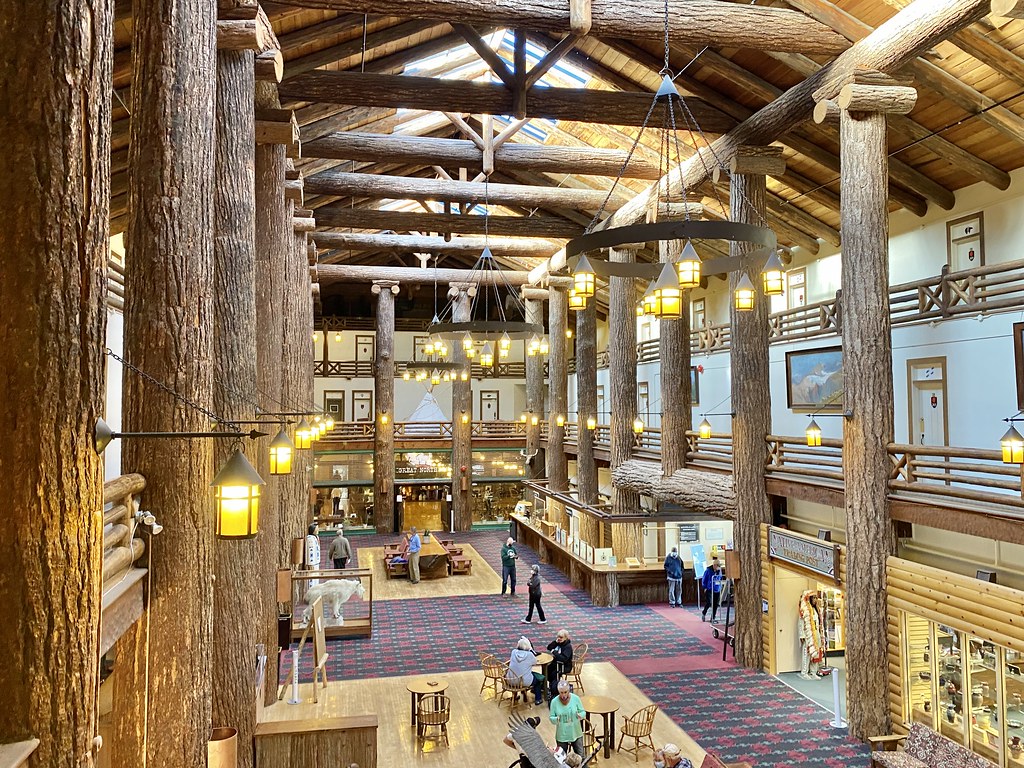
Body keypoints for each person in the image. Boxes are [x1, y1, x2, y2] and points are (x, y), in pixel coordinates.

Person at [548, 680, 586, 757]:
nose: (563, 695)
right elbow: (551, 717)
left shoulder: (576, 698)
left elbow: (583, 712)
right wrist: (556, 719)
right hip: (562, 734)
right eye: (561, 692)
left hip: (576, 732)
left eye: (565, 692)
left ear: (569, 690)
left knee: (581, 756)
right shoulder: (554, 702)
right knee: (562, 758)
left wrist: (580, 715)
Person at [507, 636, 546, 705]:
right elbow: (535, 662)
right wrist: (531, 650)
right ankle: (538, 699)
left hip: (510, 680)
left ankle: (515, 696)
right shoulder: (529, 655)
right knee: (537, 681)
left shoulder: (513, 652)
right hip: (524, 682)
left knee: (518, 673)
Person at [798, 590, 825, 679]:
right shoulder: (805, 609)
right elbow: (801, 623)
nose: (815, 600)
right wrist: (801, 634)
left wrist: (821, 634)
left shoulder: (817, 610)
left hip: (816, 634)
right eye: (813, 598)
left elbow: (819, 624)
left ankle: (813, 672)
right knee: (806, 653)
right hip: (808, 634)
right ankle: (804, 672)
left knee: (816, 652)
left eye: (816, 598)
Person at [546, 628, 573, 699]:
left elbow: (563, 659)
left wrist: (554, 652)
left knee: (554, 674)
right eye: (558, 637)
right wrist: (555, 642)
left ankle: (555, 689)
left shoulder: (568, 647)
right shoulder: (558, 643)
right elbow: (549, 647)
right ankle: (550, 686)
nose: (559, 639)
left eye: (561, 637)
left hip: (565, 666)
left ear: (566, 638)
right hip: (557, 664)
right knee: (547, 670)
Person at [700, 557, 723, 623]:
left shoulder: (719, 571)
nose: (718, 567)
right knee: (709, 602)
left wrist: (720, 587)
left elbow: (720, 578)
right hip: (709, 588)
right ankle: (704, 612)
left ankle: (713, 618)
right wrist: (705, 587)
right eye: (718, 566)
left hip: (717, 589)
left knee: (715, 604)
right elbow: (704, 579)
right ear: (714, 565)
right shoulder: (708, 571)